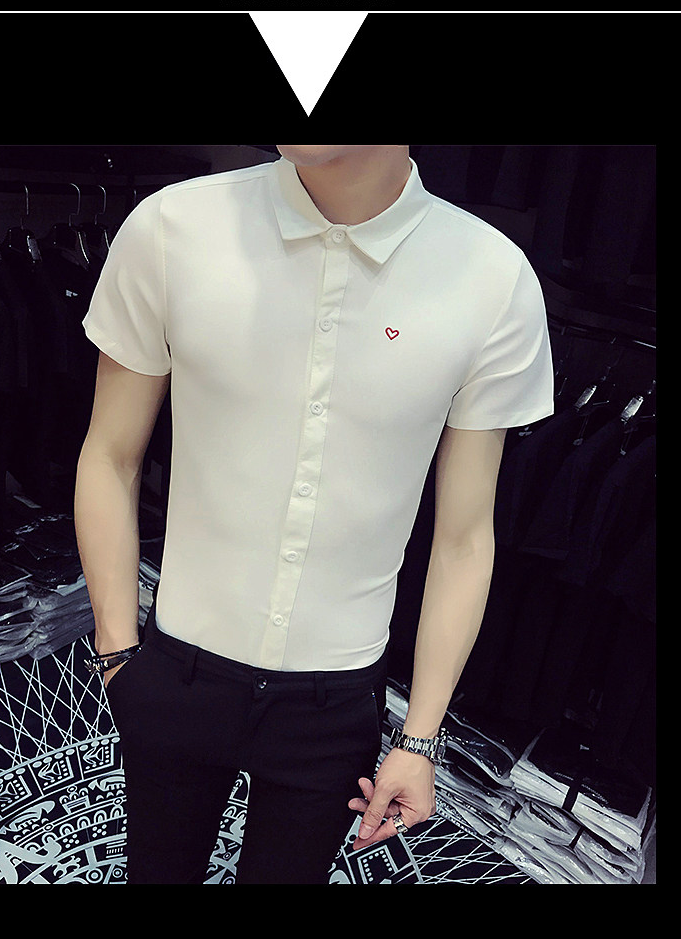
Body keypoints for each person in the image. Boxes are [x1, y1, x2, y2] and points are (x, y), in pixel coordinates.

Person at [74, 145, 554, 884]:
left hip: (335, 702)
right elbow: (110, 454)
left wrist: (420, 739)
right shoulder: (173, 228)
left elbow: (463, 538)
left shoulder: (492, 279)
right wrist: (116, 650)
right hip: (177, 672)